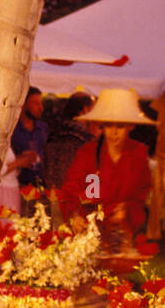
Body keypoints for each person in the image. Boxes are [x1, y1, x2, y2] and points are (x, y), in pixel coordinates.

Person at [56, 88, 153, 247]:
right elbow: (71, 189)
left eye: (120, 126)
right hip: (89, 230)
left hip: (121, 233)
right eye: (108, 126)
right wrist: (74, 216)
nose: (114, 133)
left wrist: (127, 209)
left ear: (130, 127)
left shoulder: (138, 154)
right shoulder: (88, 154)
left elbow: (141, 193)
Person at [44, 92, 96, 193]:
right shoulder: (85, 139)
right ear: (85, 110)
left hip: (54, 193)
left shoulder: (54, 132)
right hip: (77, 195)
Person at [10, 86, 49, 188]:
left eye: (41, 104)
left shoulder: (43, 128)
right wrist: (19, 159)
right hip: (16, 184)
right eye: (36, 103)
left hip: (39, 184)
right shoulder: (12, 129)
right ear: (23, 104)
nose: (41, 108)